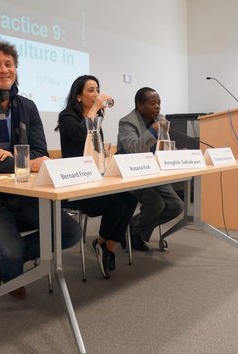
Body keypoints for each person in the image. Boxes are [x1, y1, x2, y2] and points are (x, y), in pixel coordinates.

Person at [0, 40, 81, 298]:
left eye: (8, 64)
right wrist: (21, 159)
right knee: (11, 251)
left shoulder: (27, 107)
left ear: (15, 69)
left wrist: (8, 157)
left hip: (25, 194)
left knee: (70, 232)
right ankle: (10, 269)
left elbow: (40, 153)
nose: (4, 70)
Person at [55, 75, 137, 279]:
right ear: (78, 96)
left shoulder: (96, 118)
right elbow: (82, 135)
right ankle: (103, 245)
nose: (96, 94)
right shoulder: (67, 117)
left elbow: (95, 151)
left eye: (97, 89)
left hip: (94, 178)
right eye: (91, 90)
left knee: (130, 197)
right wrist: (94, 111)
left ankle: (106, 246)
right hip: (74, 183)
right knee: (117, 203)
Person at [117, 87, 184, 251]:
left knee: (177, 206)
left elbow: (164, 146)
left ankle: (131, 229)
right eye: (153, 103)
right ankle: (135, 235)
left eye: (159, 103)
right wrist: (154, 129)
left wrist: (179, 154)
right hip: (131, 173)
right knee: (156, 204)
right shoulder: (127, 122)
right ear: (139, 105)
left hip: (153, 172)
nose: (158, 107)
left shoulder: (159, 119)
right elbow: (135, 149)